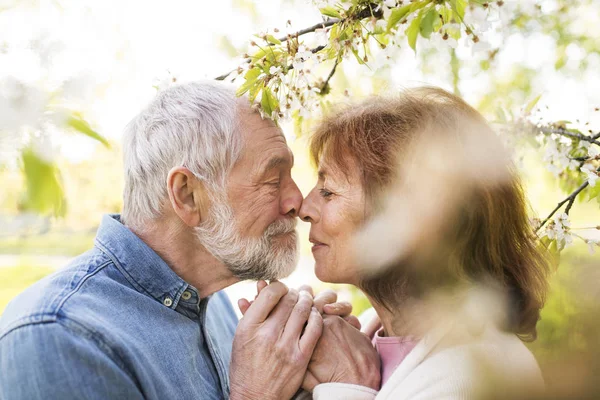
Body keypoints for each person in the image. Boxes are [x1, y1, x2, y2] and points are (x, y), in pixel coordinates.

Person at [0, 81, 372, 399]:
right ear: (187, 195)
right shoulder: (59, 337)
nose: (298, 201)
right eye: (273, 180)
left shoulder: (217, 308)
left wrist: (307, 375)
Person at [294, 87, 551, 399]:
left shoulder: (473, 374)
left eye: (328, 191)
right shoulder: (368, 338)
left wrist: (346, 384)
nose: (304, 209)